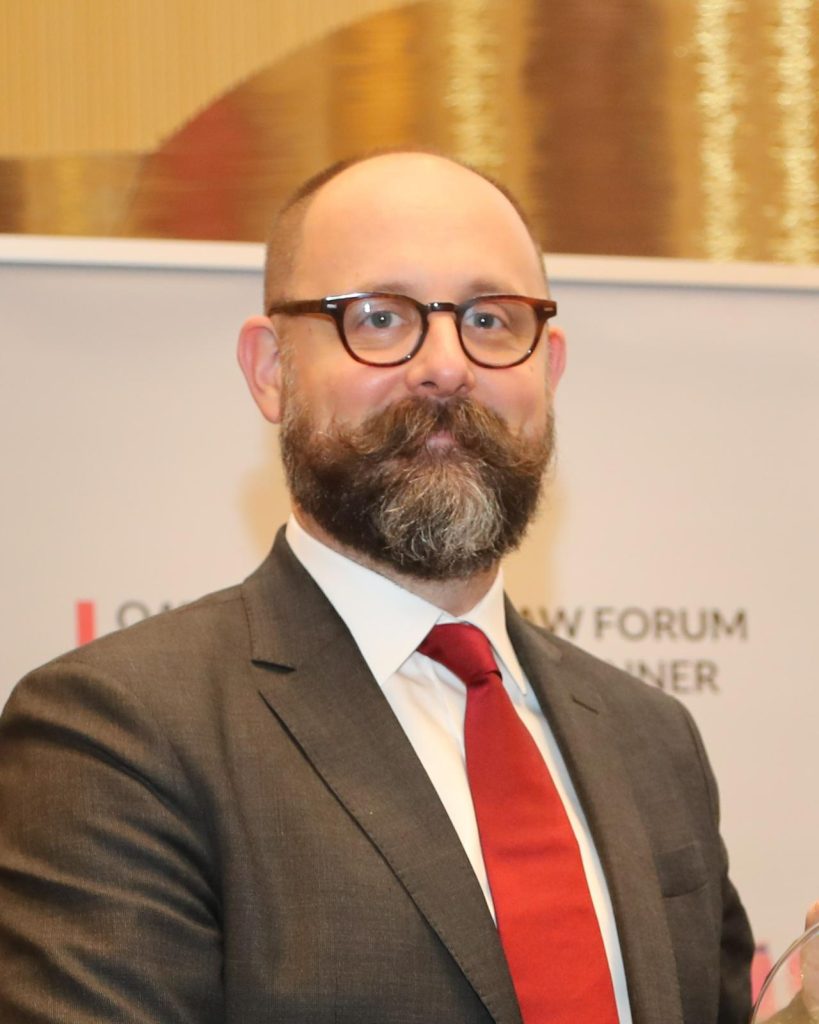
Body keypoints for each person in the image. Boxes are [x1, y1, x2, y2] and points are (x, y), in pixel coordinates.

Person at [0, 149, 796, 1024]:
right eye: (378, 318)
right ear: (270, 369)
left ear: (549, 368)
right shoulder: (117, 734)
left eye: (491, 319)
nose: (447, 366)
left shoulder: (651, 739)